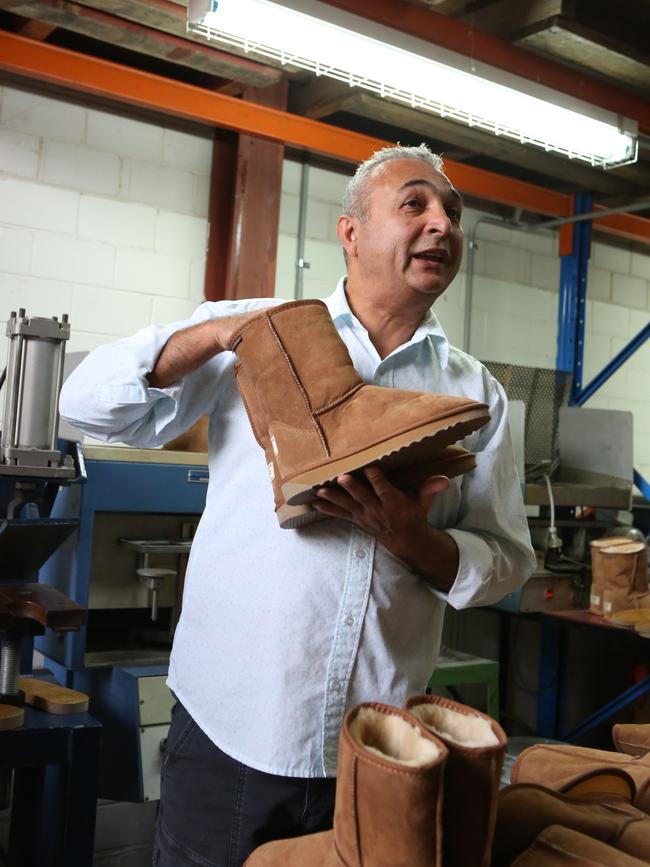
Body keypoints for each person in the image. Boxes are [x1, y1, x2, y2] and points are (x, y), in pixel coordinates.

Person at [60, 144, 536, 867]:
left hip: (374, 750)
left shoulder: (474, 397)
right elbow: (85, 404)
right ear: (351, 233)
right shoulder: (258, 330)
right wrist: (223, 334)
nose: (443, 224)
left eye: (453, 213)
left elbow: (504, 561)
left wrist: (414, 539)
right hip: (230, 732)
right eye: (416, 204)